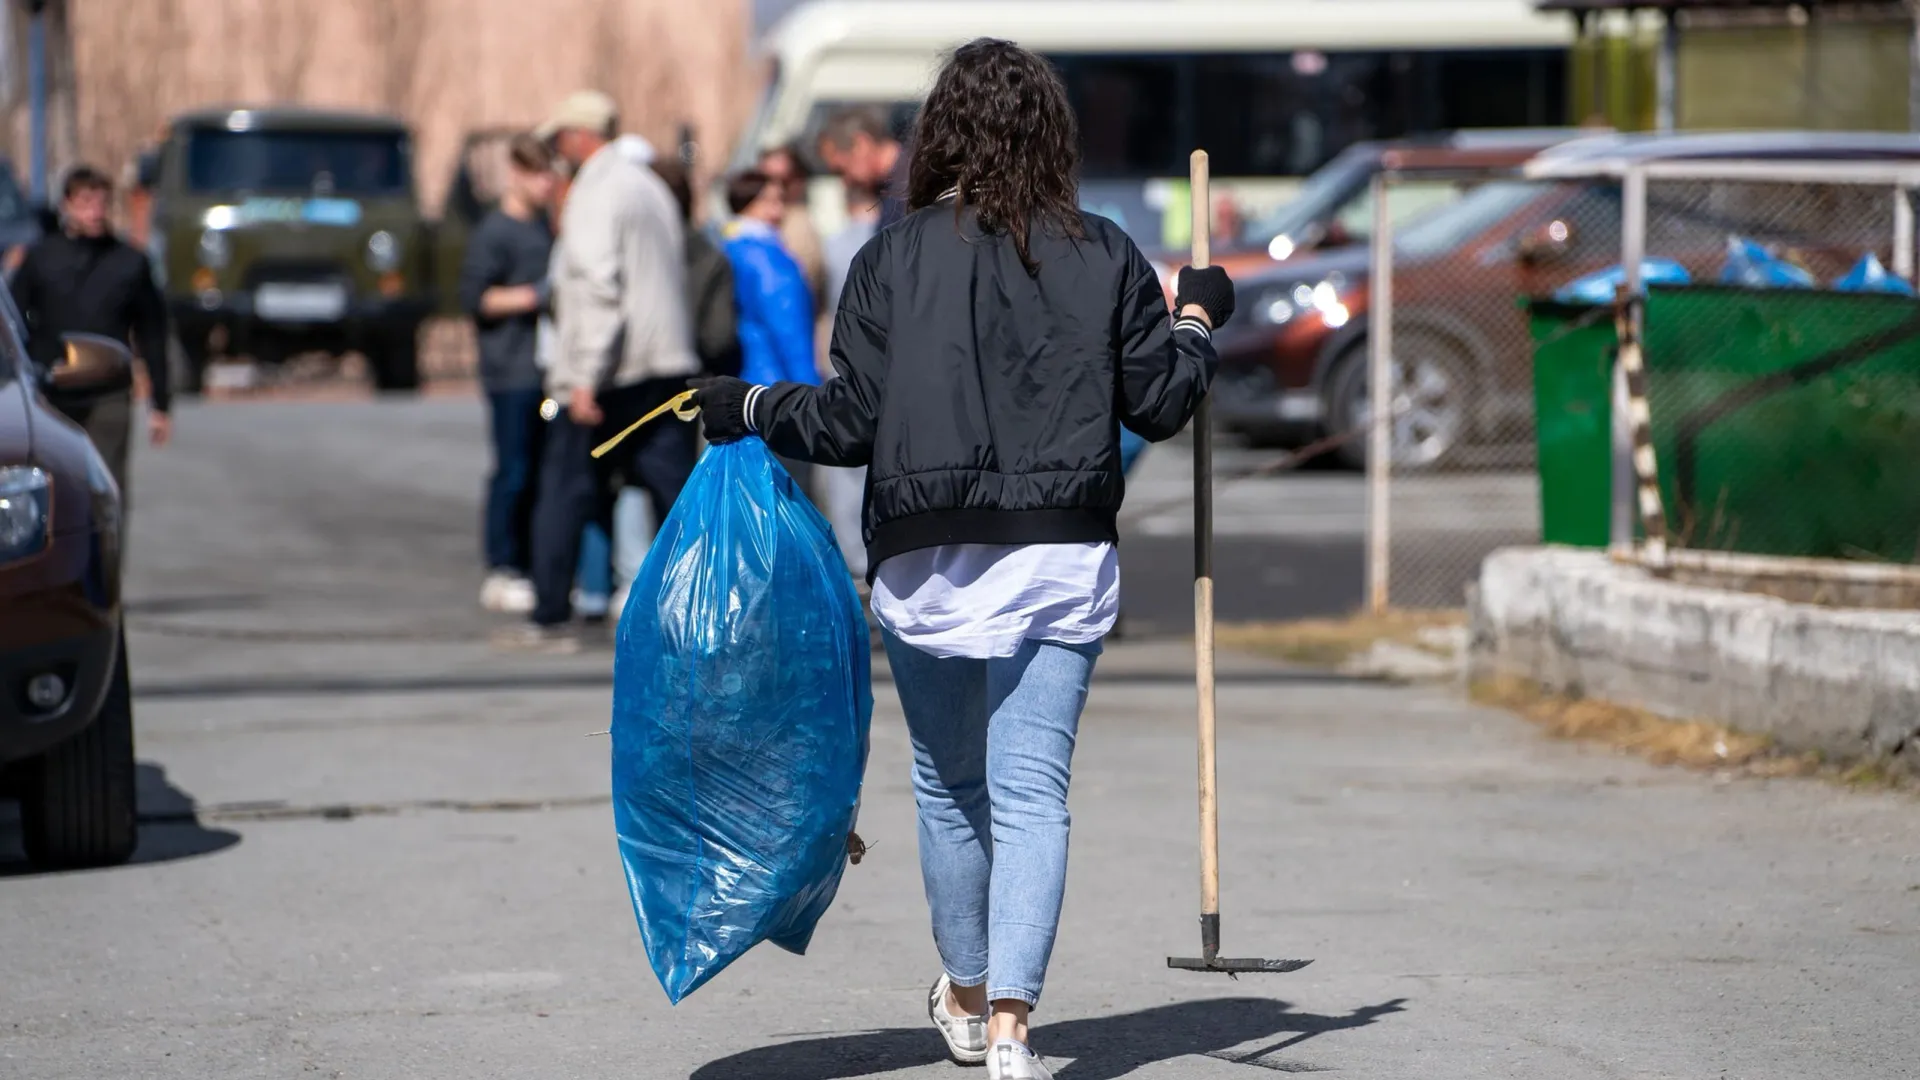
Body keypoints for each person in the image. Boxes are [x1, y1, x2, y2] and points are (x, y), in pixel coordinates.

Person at [689, 39, 1235, 1079]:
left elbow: (848, 421)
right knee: (1035, 793)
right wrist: (1199, 317)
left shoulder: (889, 258)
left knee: (950, 789)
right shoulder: (1106, 251)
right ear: (1051, 134)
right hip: (1060, 551)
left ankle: (972, 999)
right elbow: (1162, 400)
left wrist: (749, 407)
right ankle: (1018, 1032)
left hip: (924, 556)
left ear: (939, 134)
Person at [504, 90, 700, 652]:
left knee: (564, 488)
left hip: (614, 369)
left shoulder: (597, 191)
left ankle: (549, 614)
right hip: (663, 363)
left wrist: (584, 375)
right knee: (674, 494)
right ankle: (699, 608)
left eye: (558, 140)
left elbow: (596, 288)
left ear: (577, 136)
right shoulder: (648, 186)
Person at [10, 165, 171, 501]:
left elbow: (152, 332)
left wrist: (160, 404)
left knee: (107, 491)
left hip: (107, 393)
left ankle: (106, 554)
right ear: (67, 205)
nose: (95, 211)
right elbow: (13, 324)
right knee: (53, 494)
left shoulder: (130, 262)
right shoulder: (41, 259)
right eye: (85, 202)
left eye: (101, 203)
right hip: (49, 394)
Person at [459, 134, 558, 614]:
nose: (547, 184)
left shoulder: (545, 229)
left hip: (543, 372)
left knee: (542, 471)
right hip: (509, 371)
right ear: (517, 173)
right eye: (539, 174)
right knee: (513, 470)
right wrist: (531, 296)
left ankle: (534, 564)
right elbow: (476, 300)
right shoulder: (494, 232)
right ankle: (502, 566)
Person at [756, 143, 826, 316]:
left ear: (798, 182)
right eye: (763, 180)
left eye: (783, 181)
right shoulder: (756, 223)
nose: (774, 188)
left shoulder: (799, 225)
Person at [814, 105, 903, 228]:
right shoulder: (893, 188)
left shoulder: (911, 187)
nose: (845, 182)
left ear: (861, 145)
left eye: (841, 170)